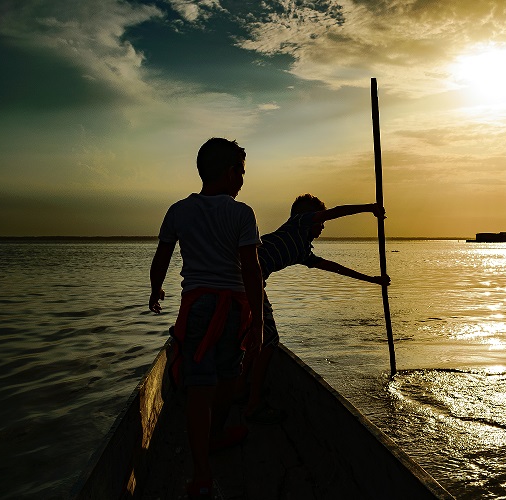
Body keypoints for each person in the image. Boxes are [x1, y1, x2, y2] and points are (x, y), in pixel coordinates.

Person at [148, 138, 264, 499]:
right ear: (230, 173)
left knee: (199, 387)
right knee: (229, 376)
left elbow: (162, 257)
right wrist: (258, 323)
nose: (243, 180)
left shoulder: (178, 210)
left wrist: (155, 290)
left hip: (197, 306)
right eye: (241, 172)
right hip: (233, 307)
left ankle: (201, 474)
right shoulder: (242, 214)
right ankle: (213, 439)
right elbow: (251, 269)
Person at [239, 194, 390, 423]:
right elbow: (336, 211)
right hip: (247, 278)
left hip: (248, 281)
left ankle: (242, 389)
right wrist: (370, 208)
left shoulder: (303, 252)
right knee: (269, 340)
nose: (322, 226)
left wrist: (373, 280)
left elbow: (335, 268)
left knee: (255, 338)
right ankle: (252, 403)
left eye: (321, 223)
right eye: (320, 222)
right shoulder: (298, 223)